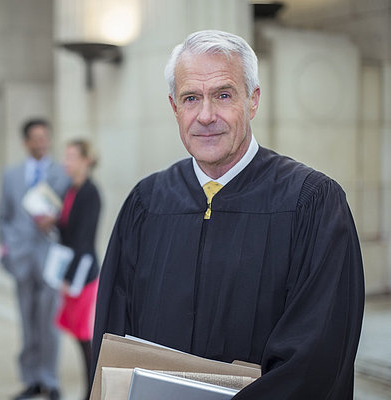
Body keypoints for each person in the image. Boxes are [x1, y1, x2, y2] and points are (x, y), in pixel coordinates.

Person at [92, 30, 364, 399]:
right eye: (191, 98)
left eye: (223, 95)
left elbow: (318, 355)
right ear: (174, 107)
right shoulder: (147, 202)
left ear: (252, 101)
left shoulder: (311, 203)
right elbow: (113, 338)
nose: (206, 115)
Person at [0, 118, 70, 400]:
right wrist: (8, 249)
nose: (41, 143)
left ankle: (50, 379)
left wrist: (54, 222)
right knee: (26, 322)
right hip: (21, 257)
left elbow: (71, 215)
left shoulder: (62, 174)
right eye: (35, 138)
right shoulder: (10, 175)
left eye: (45, 137)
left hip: (51, 257)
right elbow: (3, 217)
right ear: (26, 142)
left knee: (49, 323)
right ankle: (31, 379)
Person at [55, 139, 101, 400]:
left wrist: (69, 278)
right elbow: (67, 231)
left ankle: (90, 391)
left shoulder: (90, 192)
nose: (66, 162)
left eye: (71, 157)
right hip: (69, 271)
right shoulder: (69, 189)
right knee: (78, 336)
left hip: (82, 274)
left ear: (85, 160)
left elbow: (84, 240)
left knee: (86, 338)